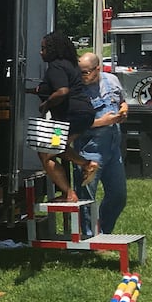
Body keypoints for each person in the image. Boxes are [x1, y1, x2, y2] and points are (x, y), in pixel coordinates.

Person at [33, 31, 98, 203]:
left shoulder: (55, 66)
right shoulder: (70, 65)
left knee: (46, 153)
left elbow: (62, 91)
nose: (41, 52)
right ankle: (68, 192)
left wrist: (46, 104)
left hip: (71, 116)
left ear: (53, 49)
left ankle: (85, 168)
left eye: (43, 48)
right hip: (82, 113)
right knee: (54, 150)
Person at [72, 52, 128, 238]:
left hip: (113, 148)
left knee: (118, 196)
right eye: (80, 72)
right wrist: (101, 122)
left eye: (86, 73)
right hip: (89, 149)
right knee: (87, 197)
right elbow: (73, 123)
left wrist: (124, 109)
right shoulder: (76, 90)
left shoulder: (112, 80)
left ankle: (104, 230)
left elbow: (122, 100)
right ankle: (90, 238)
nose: (83, 76)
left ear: (98, 69)